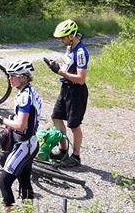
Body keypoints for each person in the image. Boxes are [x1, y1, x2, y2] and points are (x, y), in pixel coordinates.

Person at [0, 60, 43, 213]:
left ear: (24, 77)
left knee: (4, 182)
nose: (10, 79)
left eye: (13, 76)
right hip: (30, 142)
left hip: (24, 144)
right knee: (24, 180)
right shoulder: (31, 91)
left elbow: (20, 125)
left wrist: (0, 119)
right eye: (9, 76)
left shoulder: (25, 97)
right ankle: (28, 210)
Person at [44, 18, 89, 168]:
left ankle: (76, 157)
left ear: (71, 36)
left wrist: (60, 71)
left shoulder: (81, 52)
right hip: (65, 89)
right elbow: (67, 65)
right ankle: (63, 150)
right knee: (56, 117)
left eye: (63, 38)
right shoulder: (70, 48)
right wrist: (56, 65)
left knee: (74, 125)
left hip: (76, 91)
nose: (61, 41)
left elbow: (81, 79)